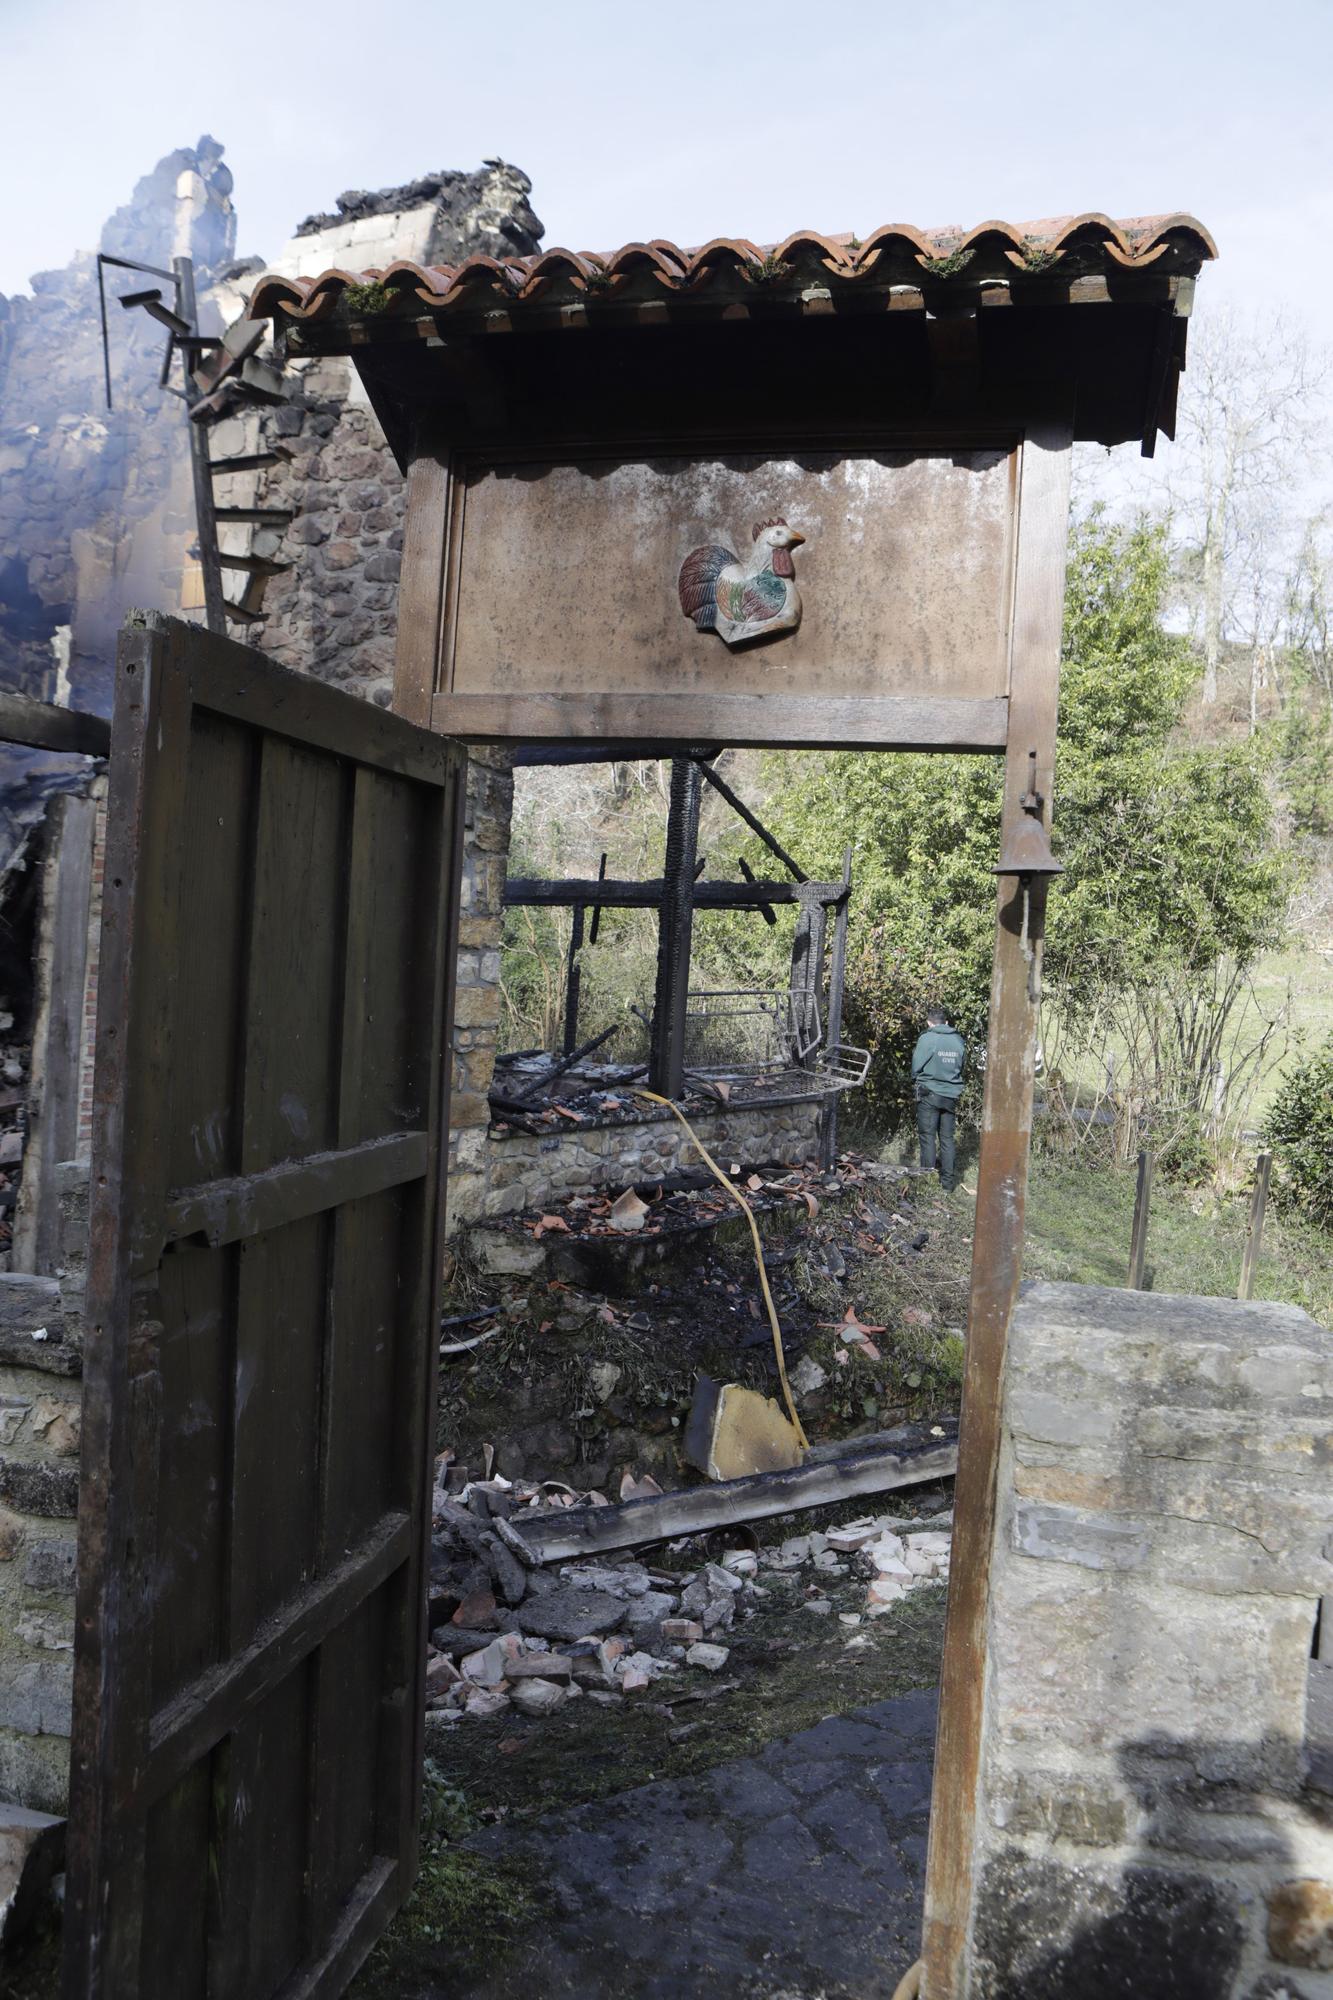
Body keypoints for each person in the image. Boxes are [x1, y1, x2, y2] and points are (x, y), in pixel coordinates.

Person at [912, 1005, 967, 1193]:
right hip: (951, 1095)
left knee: (927, 1137)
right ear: (947, 1022)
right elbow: (962, 1066)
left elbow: (915, 1067)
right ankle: (947, 1185)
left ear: (929, 1023)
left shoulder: (927, 1038)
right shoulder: (958, 1040)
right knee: (947, 1139)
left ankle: (927, 1180)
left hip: (930, 1093)